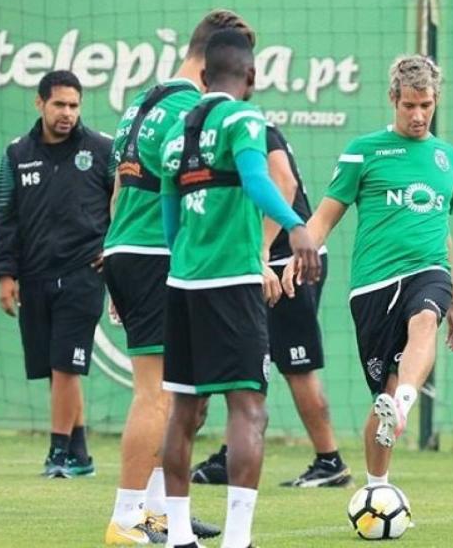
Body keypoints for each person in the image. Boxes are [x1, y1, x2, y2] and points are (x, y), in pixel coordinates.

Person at [158, 29, 319, 548]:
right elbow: (256, 178)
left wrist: (185, 259)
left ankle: (180, 535)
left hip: (182, 282)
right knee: (248, 408)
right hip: (232, 283)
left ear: (202, 76)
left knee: (184, 411)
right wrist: (295, 226)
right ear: (250, 77)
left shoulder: (178, 129)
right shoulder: (245, 118)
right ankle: (237, 540)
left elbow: (169, 218)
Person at [283, 54, 453, 490]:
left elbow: (444, 232)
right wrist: (300, 253)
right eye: (409, 105)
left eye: (426, 104)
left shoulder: (448, 159)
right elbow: (326, 217)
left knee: (426, 319)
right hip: (374, 284)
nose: (419, 114)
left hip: (428, 271)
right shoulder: (362, 152)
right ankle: (376, 488)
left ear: (436, 99)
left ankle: (405, 400)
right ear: (393, 99)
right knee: (381, 394)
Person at [103, 9, 251, 545]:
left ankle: (162, 511)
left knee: (186, 389)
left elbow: (117, 191)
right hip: (154, 253)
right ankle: (126, 518)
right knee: (158, 394)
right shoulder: (193, 109)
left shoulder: (141, 102)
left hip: (129, 247)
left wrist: (116, 256)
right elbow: (191, 195)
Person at [190, 121, 351, 489]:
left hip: (286, 262)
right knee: (246, 358)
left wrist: (261, 250)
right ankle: (234, 452)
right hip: (258, 262)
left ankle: (330, 461)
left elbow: (285, 182)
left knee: (297, 364)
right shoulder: (221, 130)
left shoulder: (253, 127)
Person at [0, 69, 112, 479]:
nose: (67, 113)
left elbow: (126, 202)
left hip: (82, 275)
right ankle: (79, 453)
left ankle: (58, 454)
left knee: (66, 366)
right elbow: (3, 216)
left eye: (74, 105)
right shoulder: (16, 154)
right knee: (54, 369)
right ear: (39, 103)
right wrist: (6, 274)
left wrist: (112, 248)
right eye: (59, 104)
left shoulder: (102, 150)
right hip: (35, 276)